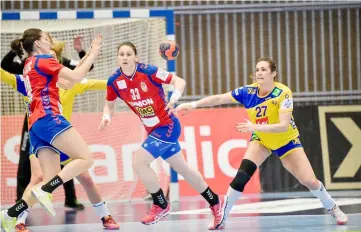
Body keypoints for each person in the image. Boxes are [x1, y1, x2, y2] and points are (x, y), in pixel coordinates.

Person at [174, 57, 348, 229]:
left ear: (273, 73)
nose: (259, 73)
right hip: (261, 140)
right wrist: (193, 104)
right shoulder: (248, 92)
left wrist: (253, 126)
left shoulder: (283, 93)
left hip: (286, 141)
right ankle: (222, 217)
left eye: (264, 69)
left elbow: (283, 126)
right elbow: (220, 99)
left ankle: (332, 207)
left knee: (309, 181)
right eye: (257, 70)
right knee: (242, 175)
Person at [99, 42, 227, 229]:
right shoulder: (114, 81)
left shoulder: (149, 71)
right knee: (184, 169)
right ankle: (216, 201)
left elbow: (179, 81)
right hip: (152, 130)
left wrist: (174, 98)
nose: (125, 57)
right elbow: (109, 104)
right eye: (121, 54)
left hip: (167, 125)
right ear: (117, 58)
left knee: (138, 162)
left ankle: (160, 204)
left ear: (136, 57)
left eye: (128, 54)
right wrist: (106, 117)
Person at [1, 28, 102, 232]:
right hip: (50, 118)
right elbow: (74, 78)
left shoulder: (29, 66)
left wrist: (84, 57)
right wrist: (93, 53)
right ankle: (46, 190)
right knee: (85, 159)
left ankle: (11, 214)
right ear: (38, 44)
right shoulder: (43, 60)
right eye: (46, 40)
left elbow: (67, 82)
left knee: (49, 178)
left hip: (35, 127)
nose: (50, 43)